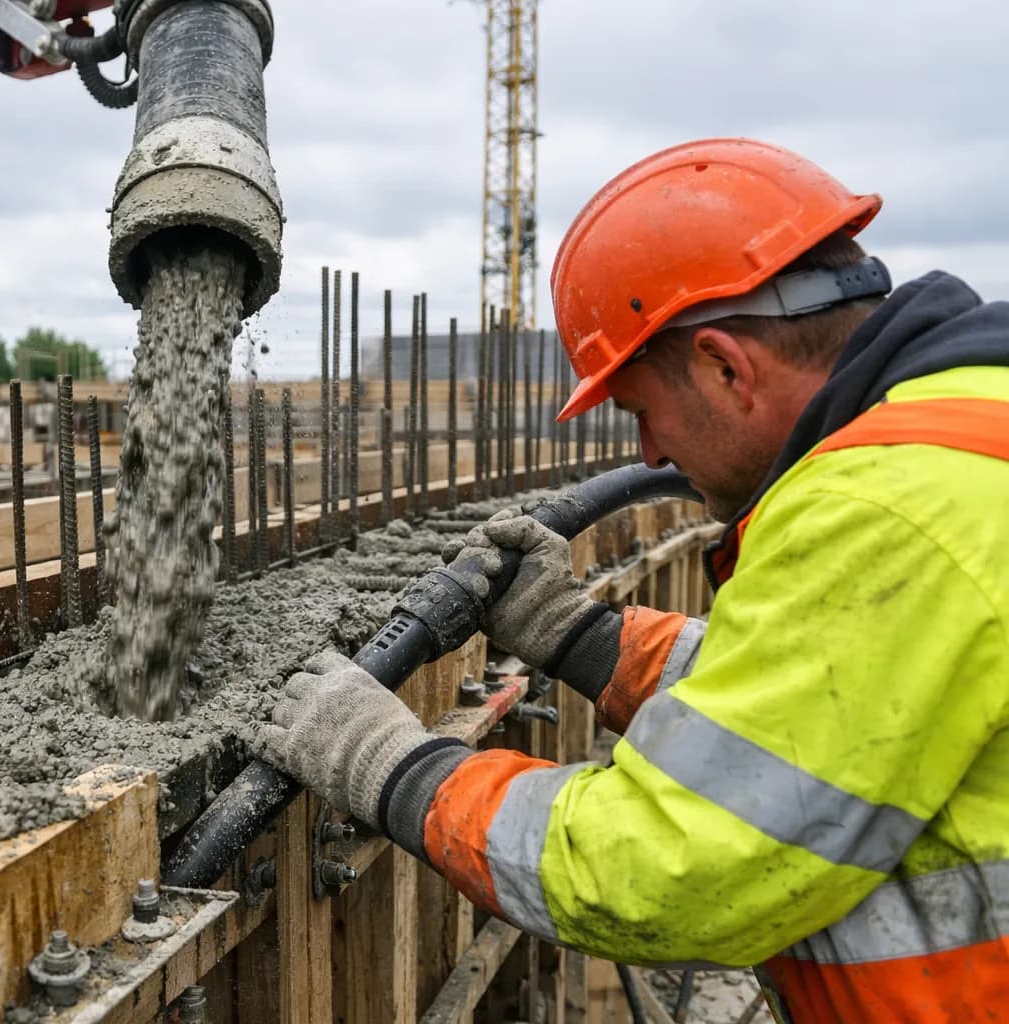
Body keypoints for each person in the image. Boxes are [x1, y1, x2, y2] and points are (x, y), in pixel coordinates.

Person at [258, 138, 1009, 1022]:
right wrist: (582, 638)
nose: (648, 452)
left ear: (726, 366)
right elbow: (838, 707)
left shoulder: (889, 508)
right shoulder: (956, 448)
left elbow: (668, 866)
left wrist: (392, 767)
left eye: (641, 411)